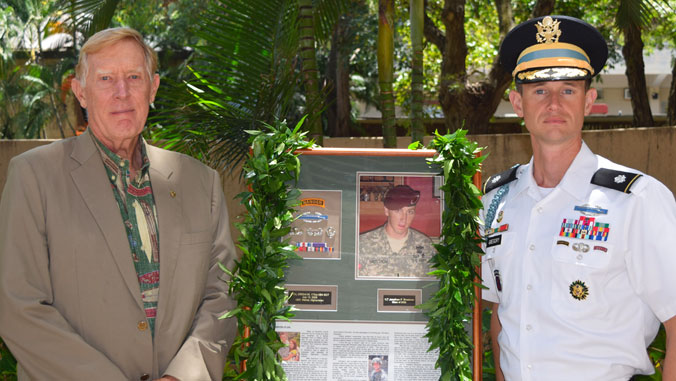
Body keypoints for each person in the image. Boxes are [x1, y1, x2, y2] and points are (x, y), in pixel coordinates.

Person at [0, 27, 237, 380]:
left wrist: (183, 375)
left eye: (133, 77)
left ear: (153, 87)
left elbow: (222, 294)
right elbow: (19, 307)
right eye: (106, 78)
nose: (122, 92)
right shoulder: (34, 177)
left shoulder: (201, 183)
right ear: (81, 93)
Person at [481, 15, 676, 380]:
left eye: (568, 89)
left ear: (588, 101)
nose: (554, 103)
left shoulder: (637, 200)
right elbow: (501, 315)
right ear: (517, 104)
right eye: (540, 90)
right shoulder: (496, 200)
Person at [358, 185, 434, 278]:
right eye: (398, 211)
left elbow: (433, 286)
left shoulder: (426, 245)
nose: (404, 219)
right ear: (386, 211)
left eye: (410, 212)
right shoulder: (363, 244)